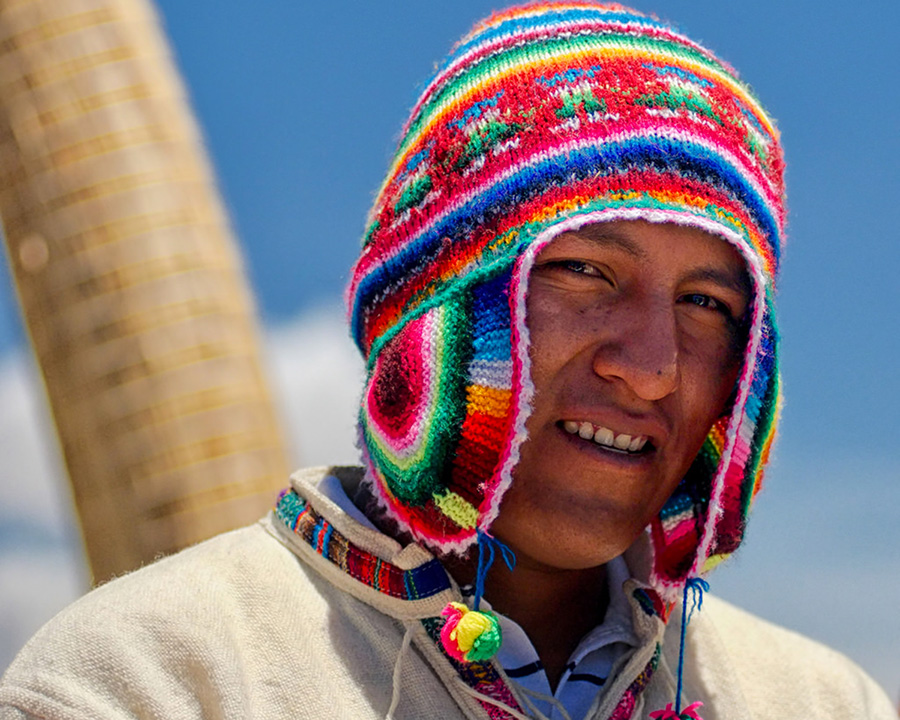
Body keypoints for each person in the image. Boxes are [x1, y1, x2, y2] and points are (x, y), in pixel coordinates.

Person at [0, 3, 895, 719]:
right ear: (431, 311)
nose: (654, 365)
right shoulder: (149, 683)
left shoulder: (820, 701)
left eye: (707, 304)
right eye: (585, 270)